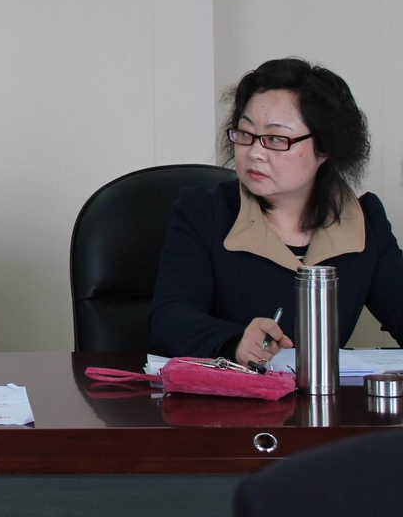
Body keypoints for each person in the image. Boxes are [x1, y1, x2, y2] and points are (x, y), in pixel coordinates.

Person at [149, 58, 403, 366]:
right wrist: (234, 342)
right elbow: (168, 318)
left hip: (324, 395)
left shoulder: (365, 222)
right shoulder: (205, 212)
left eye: (276, 139)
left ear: (325, 147)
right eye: (245, 133)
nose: (255, 153)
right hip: (230, 394)